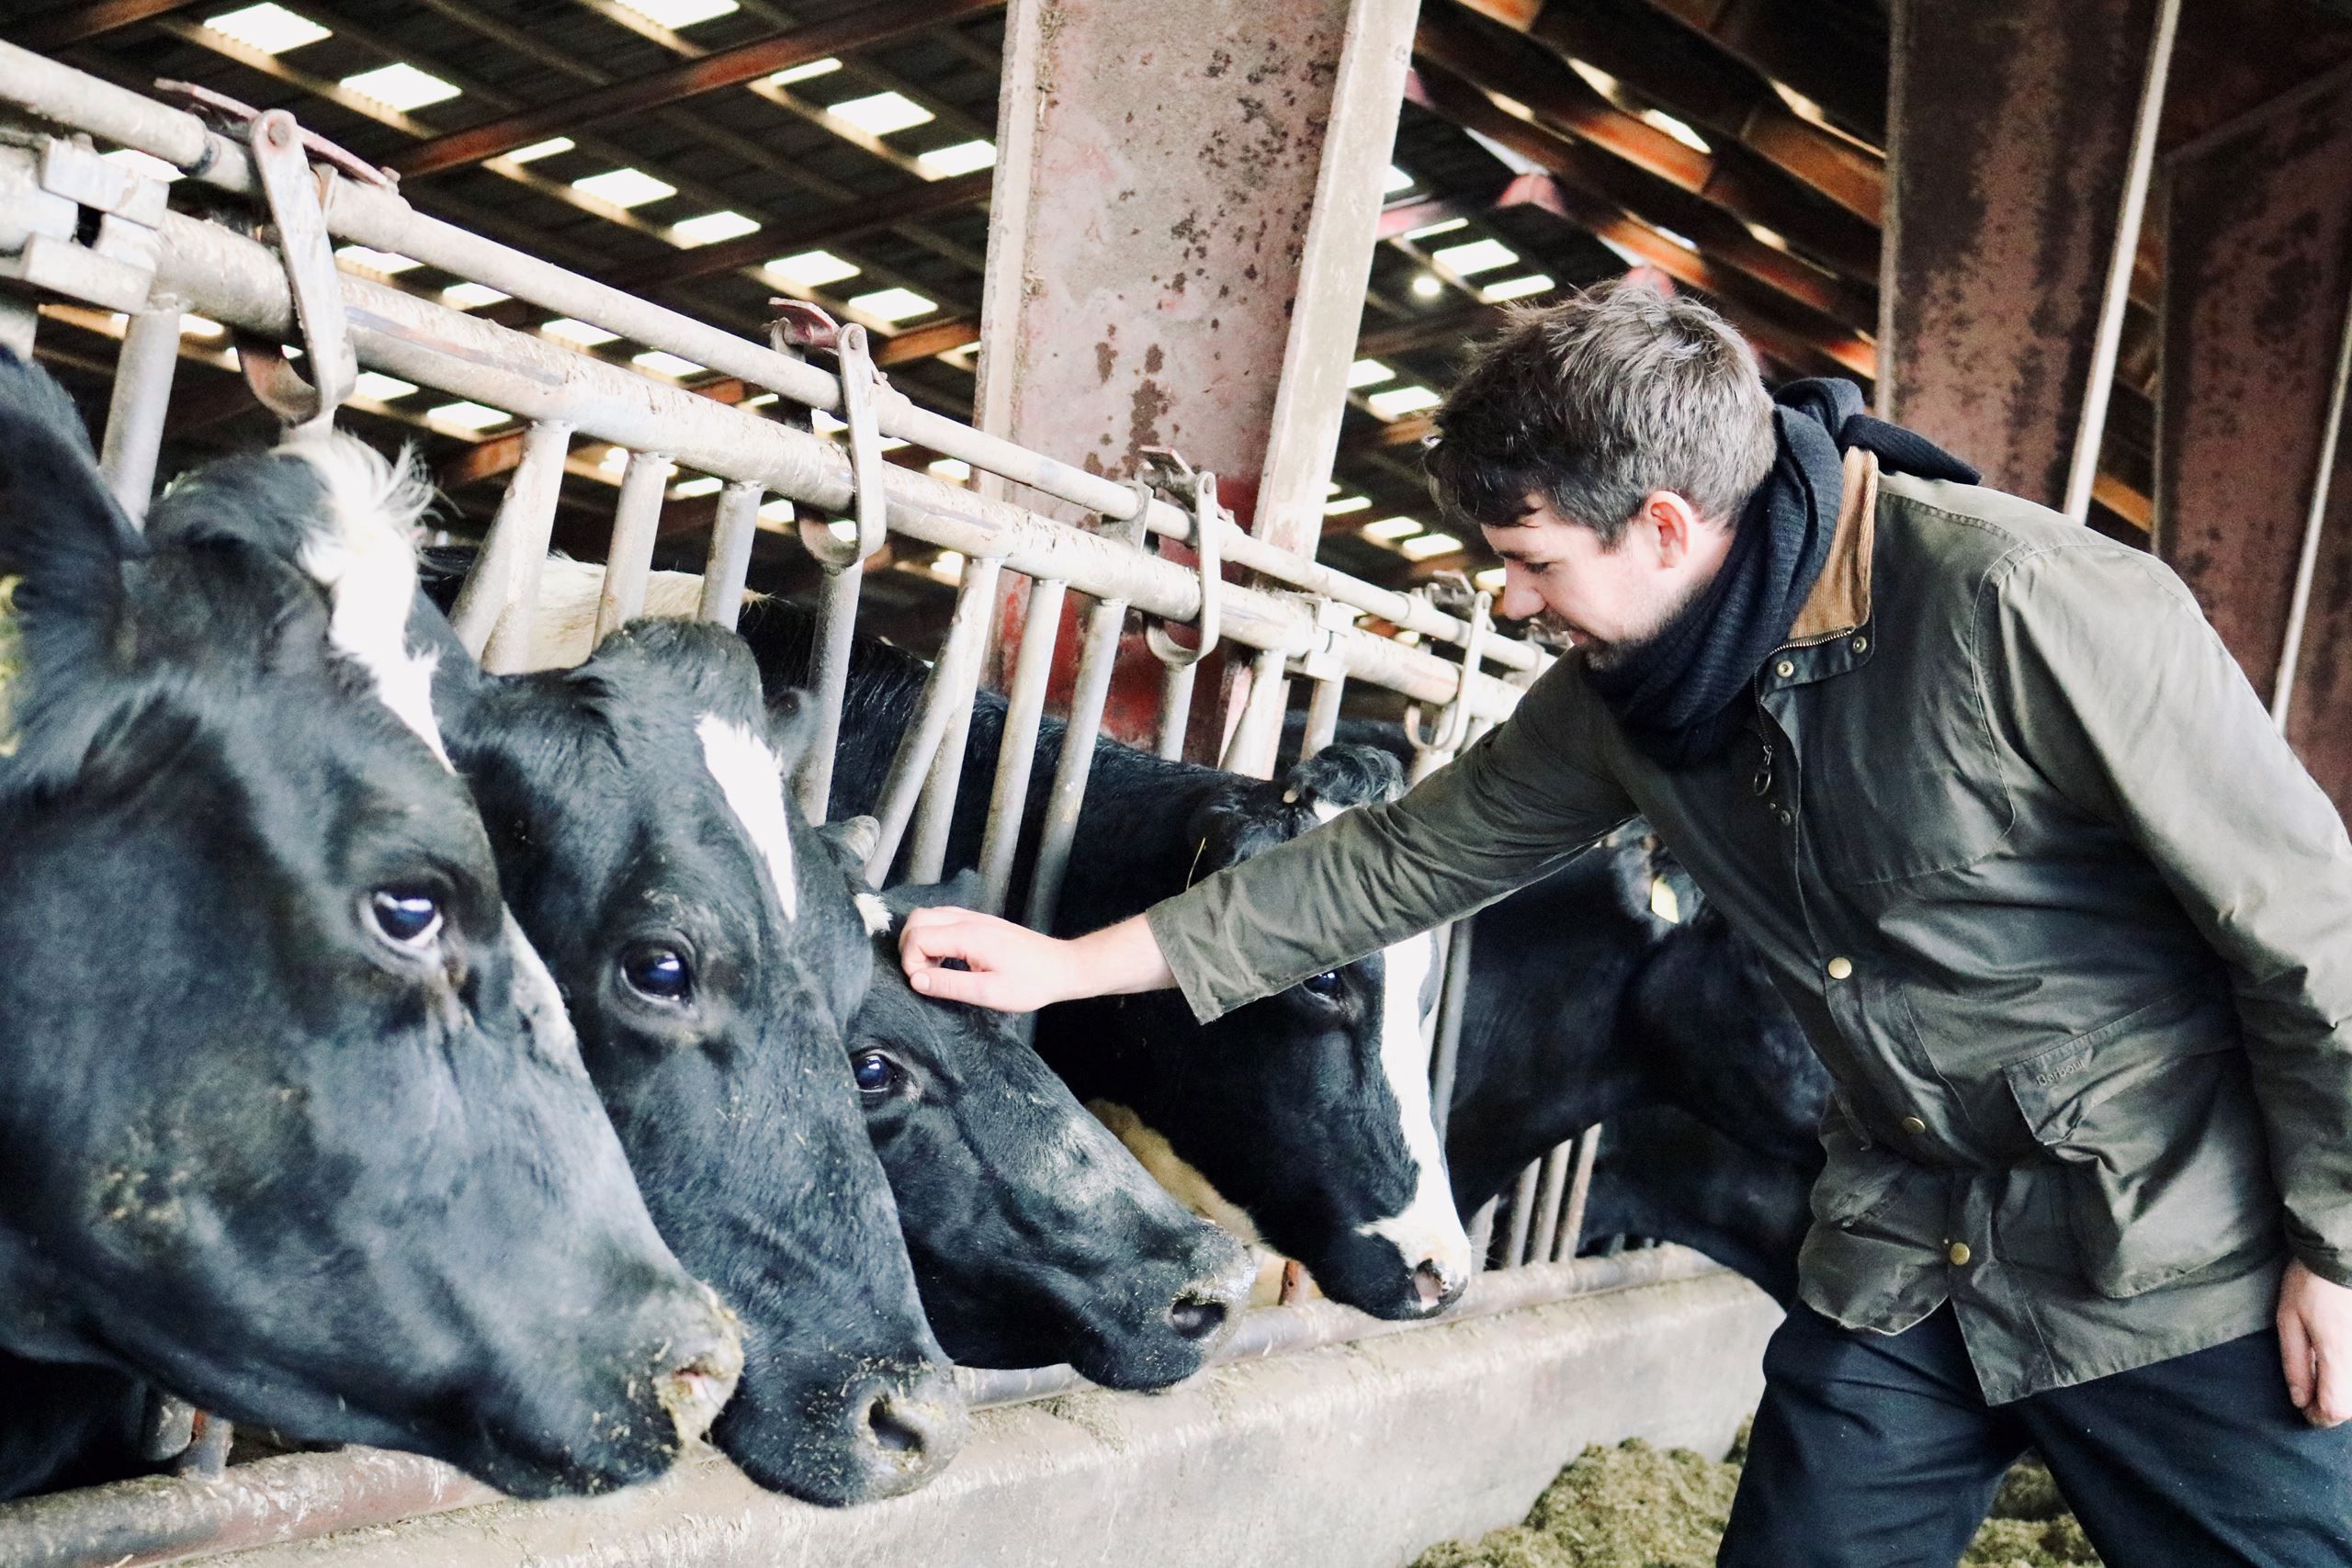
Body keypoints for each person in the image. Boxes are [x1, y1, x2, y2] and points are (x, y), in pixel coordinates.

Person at [898, 278, 2352, 1567]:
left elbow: (2312, 934)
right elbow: (1399, 860)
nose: (1514, 599)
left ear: (1664, 525)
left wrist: (2338, 1248)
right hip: (1909, 1253)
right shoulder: (1638, 689)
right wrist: (1072, 966)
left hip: (2167, 1251)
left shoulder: (2028, 605)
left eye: (1534, 561)